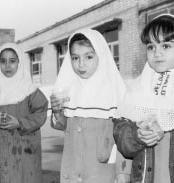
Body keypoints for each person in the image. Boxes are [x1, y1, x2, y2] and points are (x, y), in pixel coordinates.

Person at [114, 14, 174, 182]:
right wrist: (137, 136)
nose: (157, 53)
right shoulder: (137, 88)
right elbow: (121, 137)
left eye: (166, 45)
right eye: (151, 47)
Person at [50, 29, 131, 183]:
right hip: (72, 171)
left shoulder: (116, 92)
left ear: (100, 55)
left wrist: (123, 173)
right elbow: (63, 126)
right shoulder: (69, 89)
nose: (81, 64)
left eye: (88, 57)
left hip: (102, 174)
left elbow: (125, 140)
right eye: (75, 58)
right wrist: (57, 111)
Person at [0, 43, 48, 183]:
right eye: (3, 61)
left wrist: (20, 123)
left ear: (20, 62)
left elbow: (41, 112)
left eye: (12, 61)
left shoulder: (30, 90)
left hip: (22, 150)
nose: (7, 65)